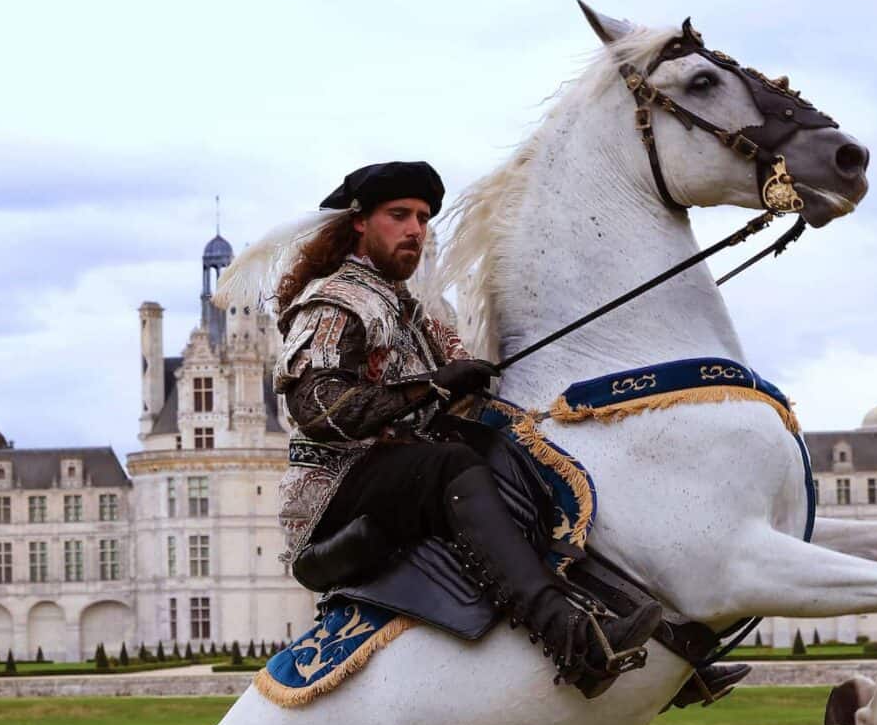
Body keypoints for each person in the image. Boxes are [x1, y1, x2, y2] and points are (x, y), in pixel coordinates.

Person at [274, 160, 659, 696]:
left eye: (424, 218)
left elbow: (460, 380)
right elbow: (319, 408)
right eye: (399, 215)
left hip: (403, 480)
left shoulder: (415, 315)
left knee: (516, 448)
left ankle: (651, 629)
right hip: (335, 494)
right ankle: (565, 634)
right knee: (451, 461)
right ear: (359, 222)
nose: (415, 228)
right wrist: (431, 386)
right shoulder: (334, 300)